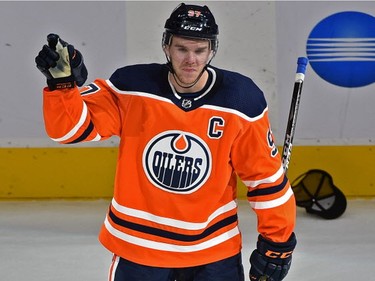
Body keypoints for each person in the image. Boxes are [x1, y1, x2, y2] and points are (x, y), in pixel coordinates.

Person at [35, 3, 296, 281]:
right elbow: (69, 130)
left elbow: (265, 180)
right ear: (166, 47)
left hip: (213, 251)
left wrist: (278, 241)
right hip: (139, 248)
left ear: (212, 50)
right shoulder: (132, 86)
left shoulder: (241, 101)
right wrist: (63, 87)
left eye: (199, 50)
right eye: (182, 49)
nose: (191, 60)